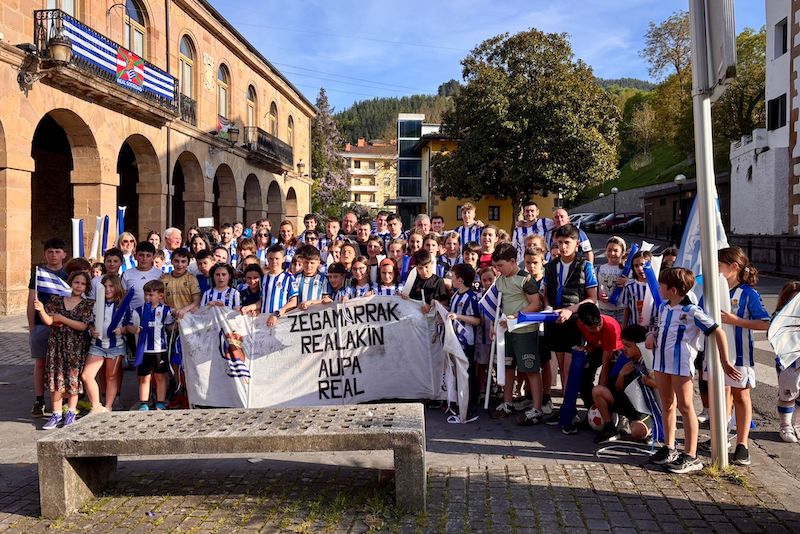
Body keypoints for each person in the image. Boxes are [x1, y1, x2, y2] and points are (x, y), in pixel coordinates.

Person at [647, 267, 732, 474]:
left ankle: (691, 454)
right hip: (661, 362)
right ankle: (669, 447)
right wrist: (651, 335)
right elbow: (658, 327)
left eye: (661, 286)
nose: (659, 288)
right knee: (667, 404)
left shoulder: (692, 311)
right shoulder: (664, 307)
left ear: (673, 290)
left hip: (681, 364)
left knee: (685, 407)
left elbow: (717, 331)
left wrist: (725, 360)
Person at [709, 247, 769, 466]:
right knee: (721, 393)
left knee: (741, 395)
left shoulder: (748, 293)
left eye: (719, 265)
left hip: (740, 355)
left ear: (734, 267)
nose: (715, 269)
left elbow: (765, 323)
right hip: (716, 353)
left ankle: (742, 444)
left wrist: (736, 321)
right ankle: (721, 436)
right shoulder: (715, 290)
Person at [540, 223, 598, 429]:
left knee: (569, 369)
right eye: (560, 242)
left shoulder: (585, 266)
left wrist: (569, 311)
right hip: (556, 322)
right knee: (561, 368)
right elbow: (546, 294)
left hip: (576, 324)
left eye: (567, 242)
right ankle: (567, 409)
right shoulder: (550, 266)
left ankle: (570, 410)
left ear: (577, 244)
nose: (563, 247)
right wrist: (548, 308)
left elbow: (592, 299)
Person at [489, 243, 545, 424]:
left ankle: (537, 408)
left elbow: (536, 304)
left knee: (531, 368)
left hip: (524, 331)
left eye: (500, 265)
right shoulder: (500, 280)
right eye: (496, 266)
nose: (498, 269)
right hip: (506, 330)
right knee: (508, 366)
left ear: (513, 262)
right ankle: (508, 402)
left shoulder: (525, 279)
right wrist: (492, 324)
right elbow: (496, 305)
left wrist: (516, 316)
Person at [34, 271, 93, 429]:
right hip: (57, 345)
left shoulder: (87, 304)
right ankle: (56, 413)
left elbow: (83, 326)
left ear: (86, 287)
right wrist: (41, 310)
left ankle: (71, 412)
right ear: (70, 283)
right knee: (56, 379)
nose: (79, 286)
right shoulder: (57, 300)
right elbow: (49, 321)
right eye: (76, 282)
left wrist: (62, 318)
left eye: (82, 284)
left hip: (75, 346)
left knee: (73, 379)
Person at [591, 324, 656, 443]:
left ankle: (652, 429)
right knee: (598, 390)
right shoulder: (624, 359)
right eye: (623, 345)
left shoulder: (651, 361)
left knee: (637, 432)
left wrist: (651, 383)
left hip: (644, 409)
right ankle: (610, 428)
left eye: (628, 346)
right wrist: (621, 374)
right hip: (627, 403)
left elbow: (664, 391)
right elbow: (617, 388)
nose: (624, 349)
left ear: (640, 346)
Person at [28, 238, 69, 417]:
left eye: (57, 252)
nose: (54, 255)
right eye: (50, 252)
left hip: (63, 326)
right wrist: (32, 328)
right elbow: (31, 302)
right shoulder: (38, 275)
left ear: (64, 254)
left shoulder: (68, 275)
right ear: (45, 254)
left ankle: (63, 399)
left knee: (63, 363)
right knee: (41, 362)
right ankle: (39, 400)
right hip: (41, 324)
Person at [82, 274, 130, 413]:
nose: (108, 289)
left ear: (117, 287)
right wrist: (92, 330)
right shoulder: (95, 304)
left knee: (111, 377)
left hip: (116, 346)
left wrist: (122, 330)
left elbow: (130, 325)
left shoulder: (123, 306)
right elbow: (90, 323)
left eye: (111, 286)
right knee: (87, 375)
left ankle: (108, 407)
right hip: (96, 345)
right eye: (105, 286)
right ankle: (96, 405)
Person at [573, 302, 622, 430]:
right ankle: (592, 410)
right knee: (583, 379)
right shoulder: (579, 324)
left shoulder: (610, 327)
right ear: (582, 323)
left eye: (598, 325)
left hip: (613, 351)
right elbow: (590, 340)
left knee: (608, 384)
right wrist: (587, 348)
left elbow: (606, 365)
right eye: (592, 328)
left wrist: (600, 391)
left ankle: (612, 418)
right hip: (596, 348)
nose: (596, 329)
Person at [129, 280, 173, 411]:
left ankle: (160, 402)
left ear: (160, 296)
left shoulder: (166, 311)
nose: (147, 297)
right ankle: (144, 403)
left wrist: (179, 323)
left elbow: (169, 327)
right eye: (146, 294)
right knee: (144, 377)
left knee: (160, 376)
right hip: (144, 350)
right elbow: (129, 326)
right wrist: (134, 329)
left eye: (151, 295)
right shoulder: (138, 311)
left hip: (160, 349)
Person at [448, 263, 482, 421]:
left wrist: (458, 316)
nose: (451, 278)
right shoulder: (455, 295)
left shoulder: (472, 297)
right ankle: (459, 402)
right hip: (455, 340)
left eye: (453, 276)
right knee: (457, 373)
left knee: (468, 374)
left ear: (460, 280)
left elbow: (477, 320)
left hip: (467, 342)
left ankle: (471, 405)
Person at [241, 245, 297, 327]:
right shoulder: (263, 278)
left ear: (283, 259)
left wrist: (277, 314)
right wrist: (249, 307)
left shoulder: (289, 278)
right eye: (271, 258)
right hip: (264, 322)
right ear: (267, 259)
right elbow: (263, 300)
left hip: (281, 321)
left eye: (277, 258)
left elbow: (293, 302)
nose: (274, 261)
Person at [774, 281, 800, 443]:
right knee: (788, 394)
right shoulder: (780, 318)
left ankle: (797, 424)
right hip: (789, 362)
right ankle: (785, 426)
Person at [122, 242, 163, 316]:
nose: (144, 259)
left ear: (153, 257)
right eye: (141, 255)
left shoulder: (160, 274)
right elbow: (122, 297)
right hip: (132, 316)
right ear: (135, 256)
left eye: (148, 256)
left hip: (155, 316)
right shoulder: (127, 274)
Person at [596, 236, 626, 324]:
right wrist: (598, 296)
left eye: (616, 251)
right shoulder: (598, 269)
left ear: (623, 252)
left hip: (622, 311)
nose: (612, 253)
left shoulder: (628, 271)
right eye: (609, 250)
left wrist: (628, 282)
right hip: (603, 310)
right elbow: (592, 289)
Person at [621, 250, 653, 328]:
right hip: (636, 328)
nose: (640, 268)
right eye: (636, 266)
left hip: (654, 329)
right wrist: (624, 328)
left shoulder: (658, 286)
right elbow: (627, 309)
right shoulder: (629, 286)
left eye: (642, 264)